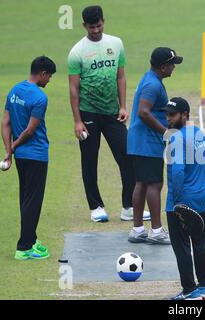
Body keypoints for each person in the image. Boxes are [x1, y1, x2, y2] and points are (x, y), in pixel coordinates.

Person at [68, 5, 134, 222]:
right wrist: (78, 121)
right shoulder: (77, 51)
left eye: (98, 25)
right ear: (84, 25)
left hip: (112, 112)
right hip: (88, 113)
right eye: (91, 27)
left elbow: (120, 77)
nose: (95, 30)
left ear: (103, 21)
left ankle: (128, 207)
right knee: (89, 160)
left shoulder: (116, 44)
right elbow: (74, 88)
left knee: (127, 157)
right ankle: (96, 207)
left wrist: (123, 106)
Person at [1, 56, 56, 260]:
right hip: (36, 155)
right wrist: (12, 147)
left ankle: (31, 239)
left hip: (22, 158)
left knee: (25, 198)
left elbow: (5, 122)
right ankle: (24, 248)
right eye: (49, 76)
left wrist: (9, 150)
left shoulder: (15, 90)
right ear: (42, 73)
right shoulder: (39, 98)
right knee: (33, 201)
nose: (49, 80)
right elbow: (30, 131)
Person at [127, 47, 182, 245]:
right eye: (172, 64)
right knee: (154, 184)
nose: (173, 68)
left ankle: (138, 229)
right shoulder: (152, 85)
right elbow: (144, 112)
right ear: (162, 67)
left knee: (142, 183)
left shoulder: (151, 79)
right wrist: (164, 131)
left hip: (139, 141)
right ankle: (156, 230)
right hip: (147, 142)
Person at [164, 97, 205, 300]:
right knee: (200, 242)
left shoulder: (176, 138)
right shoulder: (199, 134)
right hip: (198, 198)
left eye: (172, 114)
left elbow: (177, 173)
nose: (168, 118)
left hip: (179, 200)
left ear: (185, 115)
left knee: (182, 246)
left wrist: (176, 202)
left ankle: (189, 289)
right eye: (167, 114)